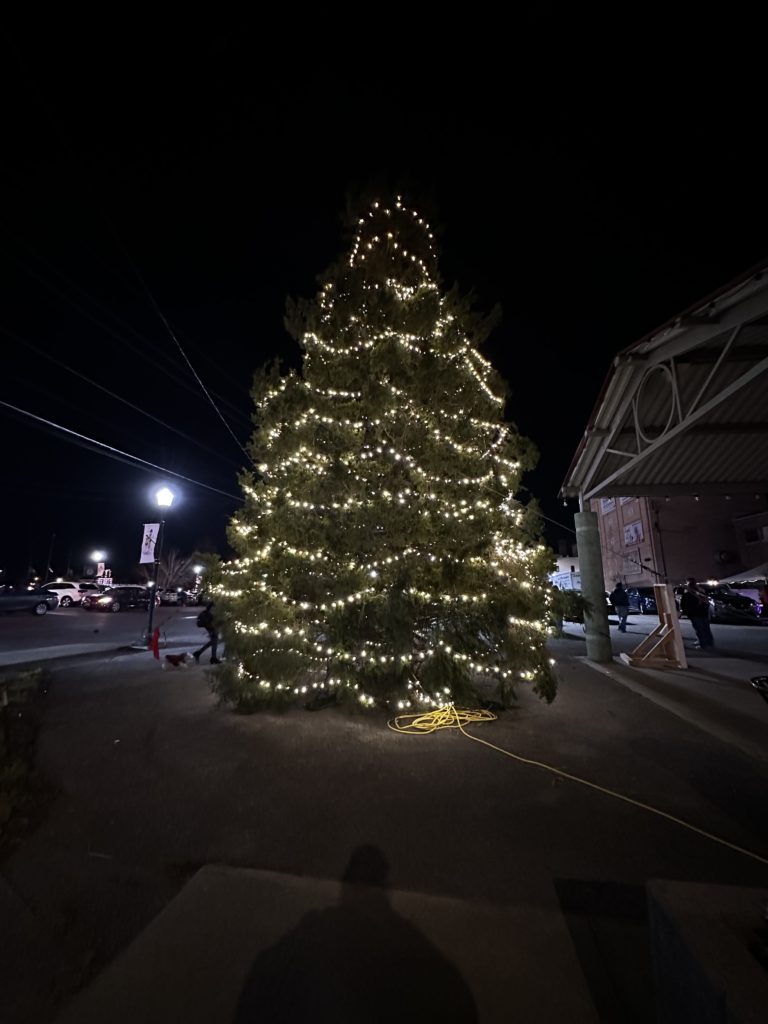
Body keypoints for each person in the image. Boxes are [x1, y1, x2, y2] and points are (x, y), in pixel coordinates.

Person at [680, 578, 714, 649]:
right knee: (706, 629)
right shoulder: (701, 592)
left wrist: (686, 612)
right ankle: (709, 643)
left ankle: (703, 644)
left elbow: (683, 605)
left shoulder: (688, 594)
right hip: (702, 613)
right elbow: (707, 603)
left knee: (700, 630)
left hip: (695, 614)